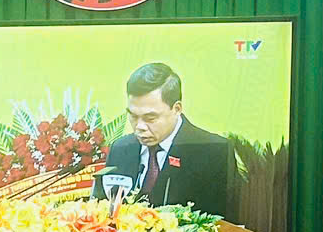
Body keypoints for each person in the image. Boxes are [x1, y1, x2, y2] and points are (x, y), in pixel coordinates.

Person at [94, 62, 236, 218]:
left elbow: (221, 224)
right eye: (133, 116)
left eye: (150, 118)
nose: (139, 127)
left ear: (176, 109)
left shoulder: (213, 152)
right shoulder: (120, 148)